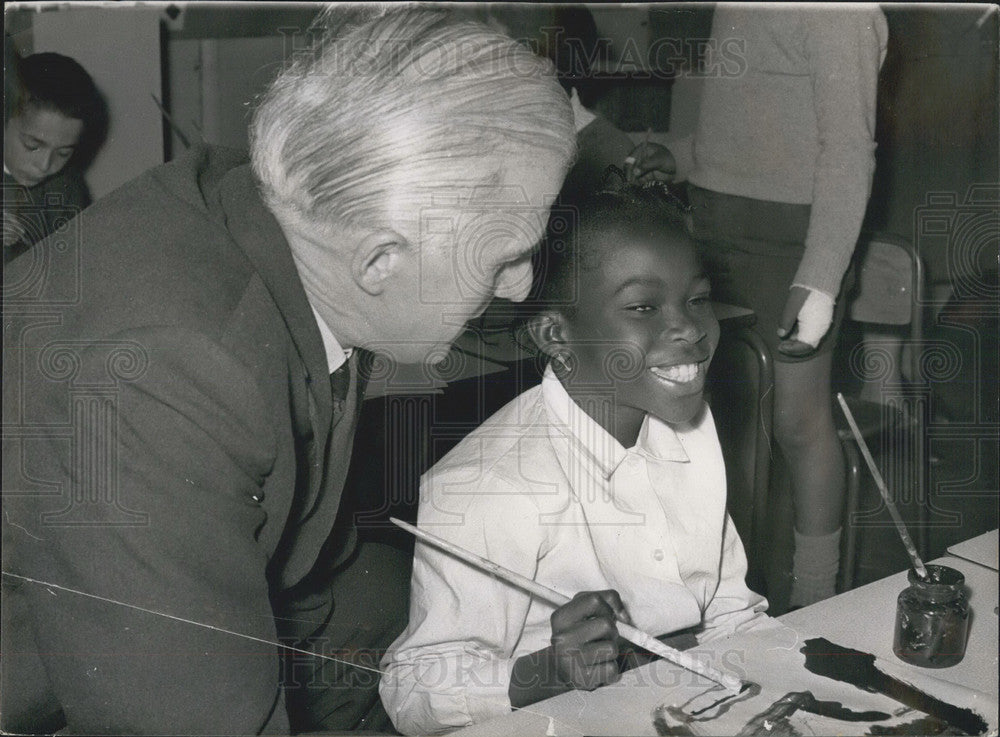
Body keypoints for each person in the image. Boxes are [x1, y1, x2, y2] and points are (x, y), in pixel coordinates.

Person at [1, 8, 575, 735]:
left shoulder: (298, 218)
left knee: (405, 597)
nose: (522, 286)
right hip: (45, 687)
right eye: (503, 257)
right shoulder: (165, 375)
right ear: (380, 261)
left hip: (218, 589)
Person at [380, 181, 769, 735]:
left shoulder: (691, 423)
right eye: (642, 306)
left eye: (698, 299)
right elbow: (410, 692)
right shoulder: (490, 485)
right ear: (555, 333)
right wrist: (542, 672)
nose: (687, 327)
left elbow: (729, 610)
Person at [629, 6, 888, 607]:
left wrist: (821, 277)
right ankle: (725, 591)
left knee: (799, 423)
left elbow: (849, 148)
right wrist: (685, 156)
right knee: (722, 427)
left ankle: (817, 599)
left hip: (794, 243)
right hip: (714, 231)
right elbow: (754, 126)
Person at [3, 51, 106, 263]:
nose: (44, 166)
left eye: (64, 153)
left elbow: (74, 266)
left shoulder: (67, 188)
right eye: (32, 146)